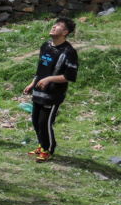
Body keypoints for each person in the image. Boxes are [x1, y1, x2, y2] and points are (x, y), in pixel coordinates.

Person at [23, 17, 79, 162]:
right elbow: (41, 69)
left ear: (65, 32)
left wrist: (49, 79)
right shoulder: (45, 46)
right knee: (35, 120)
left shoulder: (69, 52)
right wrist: (32, 84)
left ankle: (48, 149)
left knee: (45, 122)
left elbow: (69, 76)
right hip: (38, 91)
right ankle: (42, 146)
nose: (54, 27)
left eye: (58, 26)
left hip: (54, 94)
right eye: (54, 24)